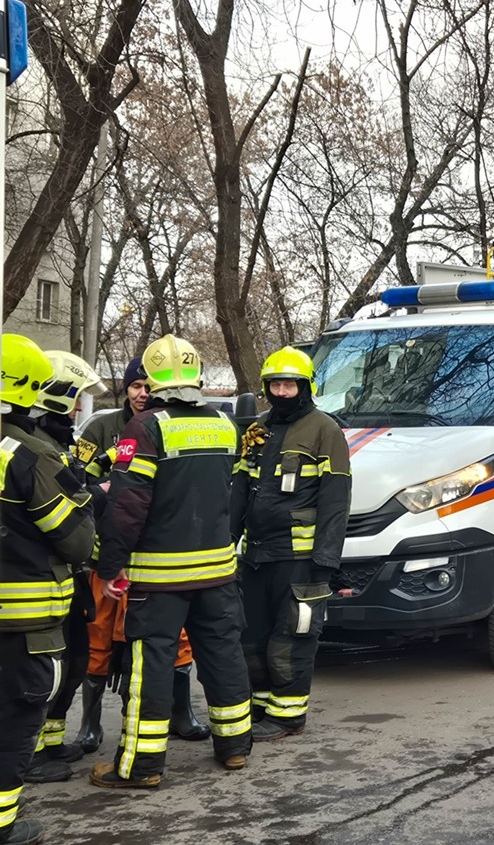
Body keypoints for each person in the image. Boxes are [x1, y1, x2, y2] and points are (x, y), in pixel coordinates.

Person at [90, 334, 252, 788]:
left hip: (160, 576)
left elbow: (127, 505)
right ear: (197, 375)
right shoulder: (224, 424)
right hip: (218, 569)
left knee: (152, 664)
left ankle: (141, 766)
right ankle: (235, 746)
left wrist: (109, 565)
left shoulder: (145, 427)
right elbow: (232, 494)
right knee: (222, 652)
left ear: (153, 381)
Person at [73, 358, 209, 757]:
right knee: (97, 638)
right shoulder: (100, 427)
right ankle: (90, 723)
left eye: (147, 386)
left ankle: (182, 714)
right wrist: (109, 485)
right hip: (106, 556)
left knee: (177, 641)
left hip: (159, 558)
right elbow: (76, 481)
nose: (141, 393)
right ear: (127, 391)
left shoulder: (172, 424)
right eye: (135, 386)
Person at [0, 334, 96, 845]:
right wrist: (84, 500)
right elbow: (76, 541)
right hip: (23, 618)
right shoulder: (29, 455)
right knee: (15, 717)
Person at [231, 347, 350, 742]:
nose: (282, 392)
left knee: (291, 637)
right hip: (256, 556)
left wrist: (325, 559)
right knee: (252, 637)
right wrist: (226, 545)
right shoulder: (257, 430)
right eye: (275, 385)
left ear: (305, 387)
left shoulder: (325, 430)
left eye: (289, 384)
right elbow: (239, 494)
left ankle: (288, 716)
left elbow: (335, 500)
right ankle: (261, 708)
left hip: (299, 558)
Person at [24, 351, 108, 784]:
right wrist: (97, 497)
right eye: (74, 398)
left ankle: (51, 740)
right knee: (44, 671)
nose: (79, 407)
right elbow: (64, 518)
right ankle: (33, 752)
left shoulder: (58, 442)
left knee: (72, 663)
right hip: (45, 578)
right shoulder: (35, 448)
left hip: (66, 578)